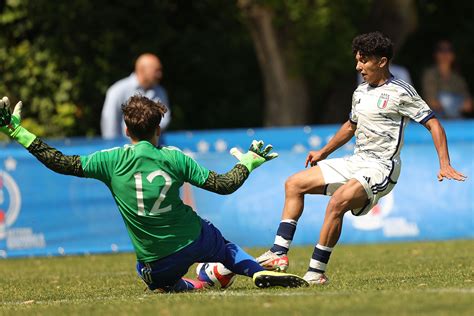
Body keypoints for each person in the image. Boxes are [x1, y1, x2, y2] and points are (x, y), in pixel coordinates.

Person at [0, 95, 308, 292]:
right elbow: (224, 185)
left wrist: (18, 132)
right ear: (158, 129)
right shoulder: (175, 157)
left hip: (156, 261)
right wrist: (248, 162)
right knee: (225, 248)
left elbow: (60, 162)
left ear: (125, 130)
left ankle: (193, 284)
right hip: (194, 238)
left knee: (157, 282)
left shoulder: (110, 160)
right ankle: (253, 272)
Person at [255, 32, 467, 285]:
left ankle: (316, 272)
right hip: (356, 160)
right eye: (357, 60)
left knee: (337, 203)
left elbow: (434, 124)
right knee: (293, 183)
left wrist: (444, 163)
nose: (358, 66)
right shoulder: (360, 91)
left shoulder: (401, 92)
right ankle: (278, 253)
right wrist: (323, 152)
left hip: (381, 168)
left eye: (363, 60)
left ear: (382, 61)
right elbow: (350, 126)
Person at [101, 53, 171, 139]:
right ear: (142, 70)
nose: (160, 75)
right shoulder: (118, 90)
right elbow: (110, 123)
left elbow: (165, 119)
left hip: (153, 147)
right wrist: (114, 146)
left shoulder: (160, 91)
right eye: (156, 71)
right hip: (125, 148)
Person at [422, 40, 473, 119]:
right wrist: (458, 104)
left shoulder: (458, 78)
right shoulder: (430, 75)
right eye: (441, 50)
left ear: (453, 55)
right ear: (435, 54)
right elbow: (432, 102)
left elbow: (468, 105)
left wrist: (446, 104)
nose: (445, 53)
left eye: (449, 50)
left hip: (456, 121)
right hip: (436, 121)